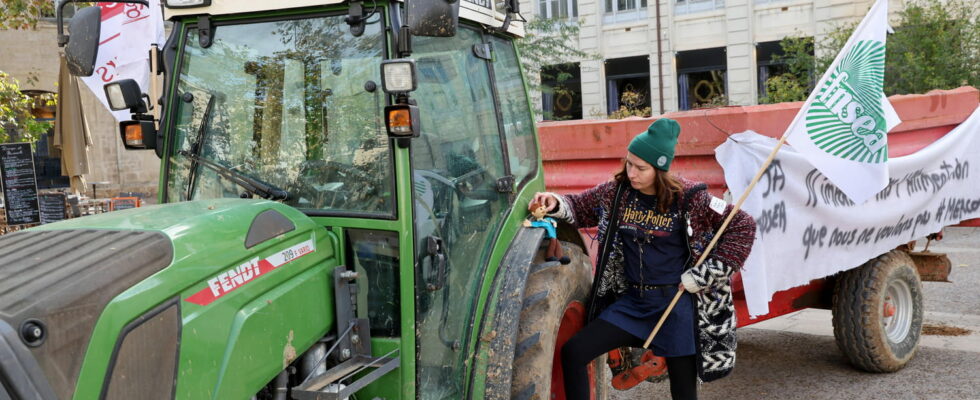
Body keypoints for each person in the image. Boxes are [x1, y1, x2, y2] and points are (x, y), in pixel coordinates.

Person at [529, 118, 756, 400]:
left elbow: (742, 225)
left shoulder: (689, 198)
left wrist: (706, 275)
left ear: (660, 168)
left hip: (676, 306)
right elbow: (579, 206)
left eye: (641, 168)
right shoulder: (616, 194)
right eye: (629, 163)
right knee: (575, 351)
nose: (632, 173)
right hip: (633, 304)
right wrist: (555, 202)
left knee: (684, 392)